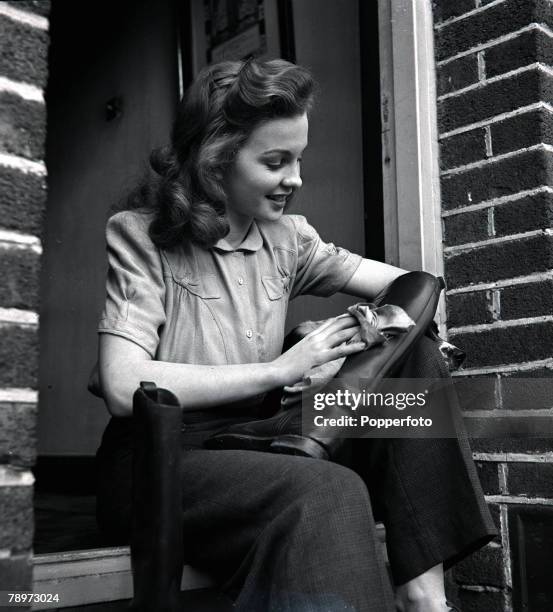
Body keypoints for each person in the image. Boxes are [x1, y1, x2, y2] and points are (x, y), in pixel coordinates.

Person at [94, 59, 496, 611]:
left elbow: (410, 285)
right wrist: (284, 367)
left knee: (415, 365)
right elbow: (121, 386)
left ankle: (424, 596)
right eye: (276, 161)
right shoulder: (141, 235)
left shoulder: (290, 238)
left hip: (260, 434)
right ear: (215, 161)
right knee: (328, 490)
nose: (296, 179)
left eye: (298, 159)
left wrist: (362, 333)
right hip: (160, 457)